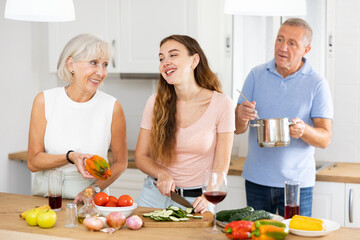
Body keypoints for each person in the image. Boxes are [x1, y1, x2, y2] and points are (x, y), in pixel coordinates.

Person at [235, 18, 333, 217]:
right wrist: (241, 115)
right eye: (280, 40)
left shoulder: (317, 83)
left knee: (297, 236)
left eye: (291, 43)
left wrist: (303, 130)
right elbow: (237, 128)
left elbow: (325, 139)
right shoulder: (255, 75)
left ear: (306, 50)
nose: (283, 47)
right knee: (259, 237)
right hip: (257, 180)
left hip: (296, 185)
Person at [135, 35, 235, 213]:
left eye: (173, 55)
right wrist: (161, 174)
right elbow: (141, 157)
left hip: (197, 201)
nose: (165, 62)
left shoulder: (221, 103)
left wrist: (208, 196)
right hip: (153, 195)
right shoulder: (155, 102)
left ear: (194, 60)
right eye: (161, 58)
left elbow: (221, 164)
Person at [27, 34, 128, 203]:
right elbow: (33, 161)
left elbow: (120, 163)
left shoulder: (112, 106)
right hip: (47, 195)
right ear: (71, 64)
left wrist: (93, 189)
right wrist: (70, 157)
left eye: (105, 65)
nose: (101, 72)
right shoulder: (44, 100)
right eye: (94, 63)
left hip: (89, 197)